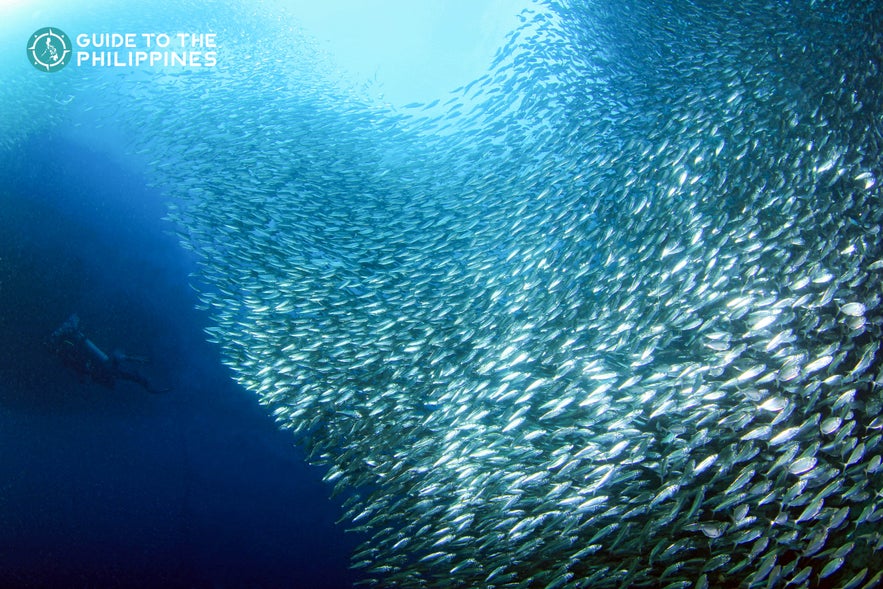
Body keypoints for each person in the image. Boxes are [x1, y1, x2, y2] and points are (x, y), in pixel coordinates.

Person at [46, 314, 168, 394]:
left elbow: (81, 368)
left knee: (119, 369)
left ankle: (71, 335)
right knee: (119, 369)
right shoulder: (118, 373)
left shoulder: (116, 374)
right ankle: (73, 334)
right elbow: (81, 367)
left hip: (101, 368)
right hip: (101, 368)